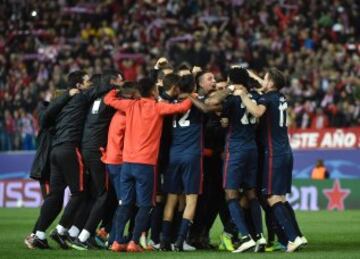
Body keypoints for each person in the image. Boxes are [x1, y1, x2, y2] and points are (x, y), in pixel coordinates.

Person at [103, 77, 192, 252]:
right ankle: (133, 242)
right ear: (153, 91)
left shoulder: (130, 106)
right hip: (145, 165)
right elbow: (182, 107)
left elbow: (108, 99)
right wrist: (192, 96)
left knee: (125, 203)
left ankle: (117, 241)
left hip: (127, 163)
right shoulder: (157, 107)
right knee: (145, 205)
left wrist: (117, 88)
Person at [234, 68, 307, 252]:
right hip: (286, 152)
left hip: (273, 153)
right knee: (281, 197)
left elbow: (257, 112)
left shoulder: (266, 99)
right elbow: (271, 86)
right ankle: (297, 235)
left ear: (271, 83)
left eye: (265, 79)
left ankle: (292, 238)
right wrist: (255, 77)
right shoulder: (281, 97)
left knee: (272, 197)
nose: (262, 81)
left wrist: (243, 96)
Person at [68, 71, 123, 250]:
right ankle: (83, 237)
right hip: (98, 151)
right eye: (118, 80)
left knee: (93, 194)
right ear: (111, 82)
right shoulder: (109, 98)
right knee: (103, 195)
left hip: (86, 148)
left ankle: (75, 232)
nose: (120, 84)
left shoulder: (95, 98)